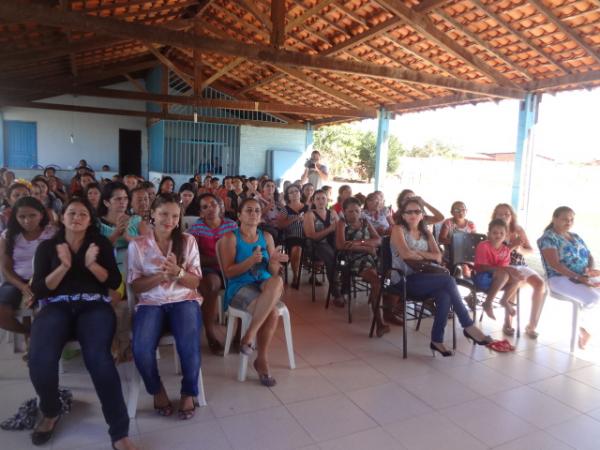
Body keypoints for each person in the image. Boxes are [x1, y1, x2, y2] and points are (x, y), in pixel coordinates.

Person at [29, 198, 136, 449]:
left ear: (90, 220)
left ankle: (119, 433)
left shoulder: (99, 245)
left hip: (94, 306)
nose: (77, 217)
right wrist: (64, 266)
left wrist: (91, 264)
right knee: (40, 358)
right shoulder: (47, 247)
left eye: (83, 214)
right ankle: (51, 410)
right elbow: (40, 290)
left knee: (99, 360)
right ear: (62, 217)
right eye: (71, 212)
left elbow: (112, 281)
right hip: (56, 306)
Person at [128, 193, 203, 420]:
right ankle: (156, 389)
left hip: (184, 300)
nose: (169, 220)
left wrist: (178, 273)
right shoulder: (138, 245)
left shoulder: (187, 241)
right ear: (152, 214)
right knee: (141, 349)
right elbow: (137, 287)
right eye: (163, 214)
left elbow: (196, 281)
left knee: (189, 344)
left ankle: (188, 392)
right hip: (152, 302)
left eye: (174, 215)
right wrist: (160, 276)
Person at [390, 198, 492, 356]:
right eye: (408, 212)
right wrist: (426, 255)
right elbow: (405, 253)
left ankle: (436, 340)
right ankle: (468, 325)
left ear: (422, 215)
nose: (413, 214)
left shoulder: (426, 232)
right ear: (402, 215)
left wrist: (418, 253)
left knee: (444, 294)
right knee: (449, 280)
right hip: (403, 279)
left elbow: (438, 256)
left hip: (425, 276)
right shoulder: (398, 229)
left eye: (417, 211)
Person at [220, 198, 288, 386]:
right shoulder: (230, 238)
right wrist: (250, 261)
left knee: (277, 280)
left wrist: (275, 262)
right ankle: (262, 360)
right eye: (248, 210)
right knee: (272, 312)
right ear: (239, 215)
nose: (253, 214)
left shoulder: (266, 237)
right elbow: (228, 272)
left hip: (265, 284)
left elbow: (273, 273)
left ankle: (249, 335)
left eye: (257, 211)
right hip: (240, 286)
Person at [539, 206, 600, 349]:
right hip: (559, 278)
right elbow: (555, 265)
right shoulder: (548, 238)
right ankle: (584, 329)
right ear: (555, 219)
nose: (569, 222)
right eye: (565, 219)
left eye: (571, 219)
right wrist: (579, 278)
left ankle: (586, 325)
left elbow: (589, 255)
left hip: (581, 275)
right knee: (593, 299)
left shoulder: (575, 236)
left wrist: (589, 270)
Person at [188, 193, 238, 355]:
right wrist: (218, 258)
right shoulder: (197, 228)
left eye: (213, 204)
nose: (210, 209)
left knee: (244, 283)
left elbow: (239, 250)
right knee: (212, 284)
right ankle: (209, 332)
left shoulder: (231, 225)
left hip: (230, 267)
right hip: (207, 268)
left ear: (220, 206)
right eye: (205, 207)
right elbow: (194, 256)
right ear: (201, 212)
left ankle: (238, 335)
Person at [0, 197, 55, 334]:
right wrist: (22, 286)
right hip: (16, 282)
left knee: (43, 312)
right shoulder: (9, 236)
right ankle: (29, 334)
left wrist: (39, 285)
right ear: (15, 217)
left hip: (45, 281)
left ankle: (38, 339)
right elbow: (5, 267)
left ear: (41, 215)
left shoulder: (52, 233)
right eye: (22, 216)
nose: (27, 220)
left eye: (32, 215)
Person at [492, 203, 546, 338]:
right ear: (495, 216)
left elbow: (530, 250)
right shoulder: (494, 230)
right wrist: (512, 246)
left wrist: (520, 249)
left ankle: (531, 325)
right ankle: (508, 321)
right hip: (503, 267)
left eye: (507, 214)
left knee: (540, 284)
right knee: (516, 281)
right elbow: (494, 256)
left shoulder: (518, 230)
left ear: (512, 216)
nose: (504, 216)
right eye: (500, 214)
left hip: (520, 264)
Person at [336, 197, 388, 335]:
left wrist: (359, 243)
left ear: (361, 211)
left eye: (357, 211)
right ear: (344, 211)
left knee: (388, 277)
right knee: (377, 281)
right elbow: (341, 245)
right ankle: (380, 322)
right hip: (352, 260)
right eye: (350, 211)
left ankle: (380, 302)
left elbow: (378, 240)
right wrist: (366, 248)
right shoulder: (342, 223)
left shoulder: (365, 222)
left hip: (372, 258)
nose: (354, 214)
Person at [474, 219, 525, 335]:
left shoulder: (506, 250)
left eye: (501, 233)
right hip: (482, 278)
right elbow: (482, 267)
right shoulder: (483, 246)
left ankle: (503, 300)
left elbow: (504, 271)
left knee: (517, 278)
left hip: (497, 280)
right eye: (494, 233)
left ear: (506, 236)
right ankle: (488, 302)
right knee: (504, 273)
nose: (498, 235)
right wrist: (507, 270)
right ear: (488, 234)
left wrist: (514, 273)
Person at [303, 190, 343, 305]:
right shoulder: (309, 215)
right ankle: (336, 293)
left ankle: (344, 286)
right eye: (318, 199)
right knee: (331, 256)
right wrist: (330, 229)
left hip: (333, 244)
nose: (321, 201)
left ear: (327, 200)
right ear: (313, 201)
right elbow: (311, 236)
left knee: (344, 254)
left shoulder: (333, 213)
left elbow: (340, 230)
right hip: (316, 246)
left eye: (323, 198)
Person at [278, 184, 309, 288]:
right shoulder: (285, 209)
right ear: (288, 196)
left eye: (296, 191)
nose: (295, 193)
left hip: (307, 235)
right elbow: (280, 225)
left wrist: (306, 220)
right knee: (297, 248)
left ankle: (312, 275)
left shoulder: (308, 208)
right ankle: (296, 276)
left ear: (300, 193)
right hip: (292, 236)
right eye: (291, 192)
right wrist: (294, 219)